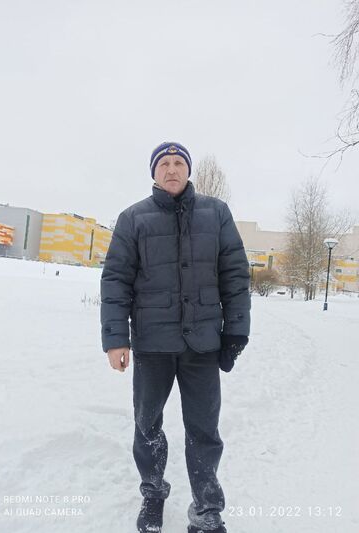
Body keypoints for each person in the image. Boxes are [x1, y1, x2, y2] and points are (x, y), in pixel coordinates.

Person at [100, 142, 251, 533]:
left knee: (204, 430)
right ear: (154, 172)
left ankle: (206, 509)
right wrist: (116, 339)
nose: (171, 169)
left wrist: (236, 328)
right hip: (152, 344)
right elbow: (116, 280)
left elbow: (235, 274)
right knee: (147, 424)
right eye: (164, 163)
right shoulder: (133, 218)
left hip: (203, 343)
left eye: (178, 162)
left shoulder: (216, 213)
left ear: (188, 169)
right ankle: (153, 493)